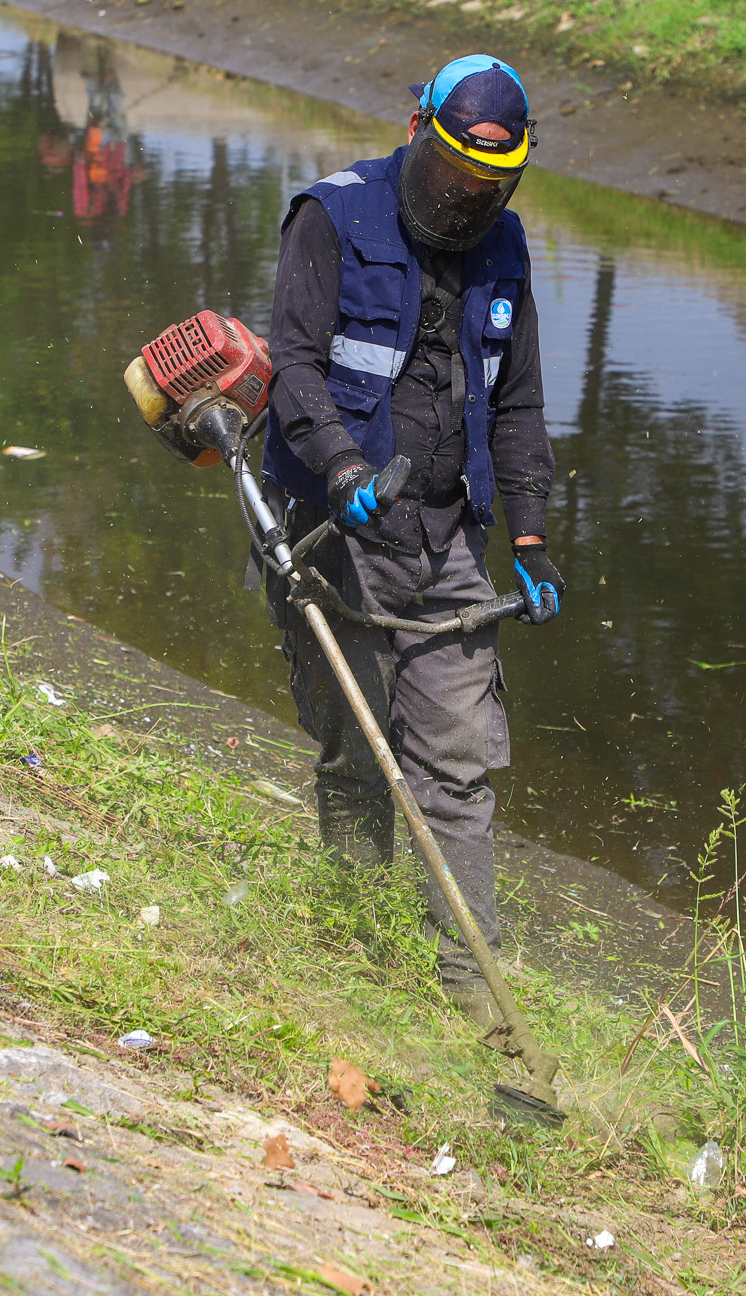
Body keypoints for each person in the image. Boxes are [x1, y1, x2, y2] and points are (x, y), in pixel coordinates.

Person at [259, 54, 563, 1026]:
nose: (466, 198)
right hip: (336, 529)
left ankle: (472, 987)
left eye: (488, 185)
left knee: (458, 763)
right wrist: (343, 467)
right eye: (453, 174)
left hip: (445, 537)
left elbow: (517, 404)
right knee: (358, 749)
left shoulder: (504, 248)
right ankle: (356, 949)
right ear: (415, 130)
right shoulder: (332, 216)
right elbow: (292, 367)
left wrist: (528, 536)